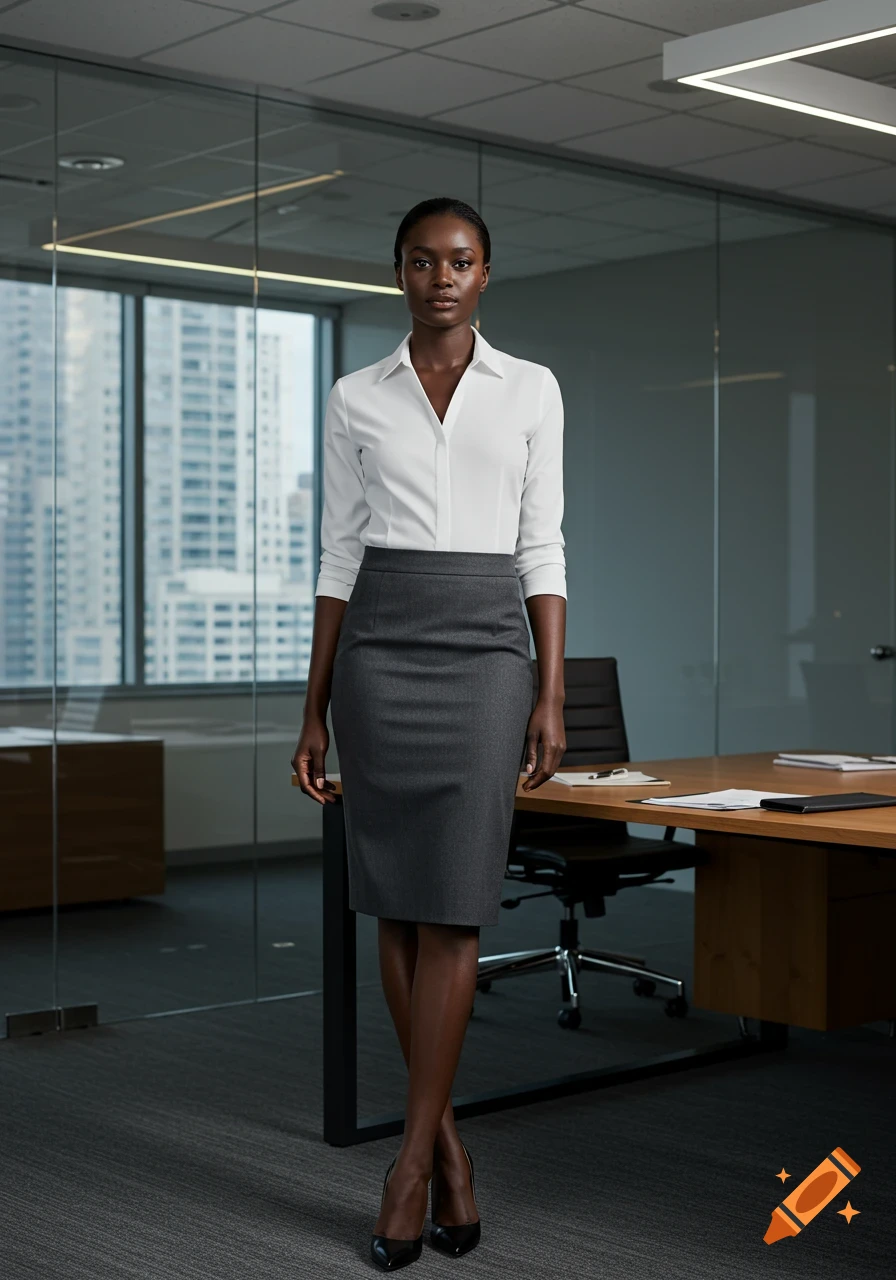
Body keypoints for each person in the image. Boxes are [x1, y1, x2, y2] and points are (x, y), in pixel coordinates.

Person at [291, 196, 567, 1271]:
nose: (440, 277)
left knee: (451, 905)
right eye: (421, 261)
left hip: (487, 647)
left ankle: (406, 1163)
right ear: (396, 272)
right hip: (380, 643)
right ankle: (446, 1147)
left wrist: (545, 689)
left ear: (485, 273)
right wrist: (310, 703)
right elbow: (337, 555)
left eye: (459, 261)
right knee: (393, 908)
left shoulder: (531, 387)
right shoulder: (355, 394)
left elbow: (541, 542)